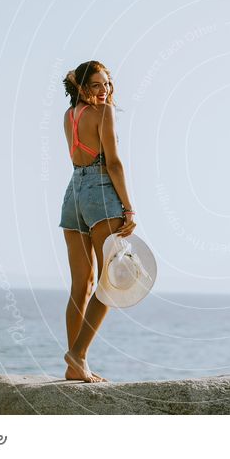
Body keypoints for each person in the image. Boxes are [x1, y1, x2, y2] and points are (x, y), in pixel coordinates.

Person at [58, 60, 136, 383]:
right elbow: (113, 162)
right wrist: (129, 208)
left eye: (107, 84)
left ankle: (74, 365)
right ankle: (79, 354)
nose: (104, 91)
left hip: (73, 193)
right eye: (96, 85)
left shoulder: (69, 116)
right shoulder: (104, 114)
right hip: (100, 193)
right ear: (82, 88)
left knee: (82, 285)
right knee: (112, 281)